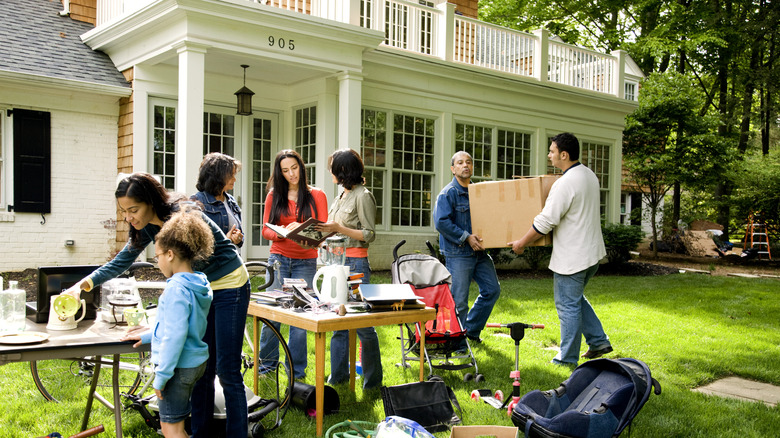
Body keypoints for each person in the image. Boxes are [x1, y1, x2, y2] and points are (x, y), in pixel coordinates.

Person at [64, 172, 250, 437]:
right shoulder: (148, 227)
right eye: (124, 212)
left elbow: (211, 254)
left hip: (230, 285)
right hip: (203, 288)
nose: (129, 217)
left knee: (228, 370)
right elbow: (121, 262)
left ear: (150, 201)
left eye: (133, 209)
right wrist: (81, 286)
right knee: (203, 370)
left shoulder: (183, 216)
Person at [508, 132, 612, 366]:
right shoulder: (589, 175)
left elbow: (546, 221)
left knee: (567, 306)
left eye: (552, 151)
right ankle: (598, 341)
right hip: (591, 254)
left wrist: (521, 243)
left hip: (573, 257)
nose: (549, 155)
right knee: (574, 300)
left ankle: (567, 359)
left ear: (564, 155)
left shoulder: (565, 183)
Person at [121, 209, 214, 438]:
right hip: (196, 363)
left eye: (158, 256)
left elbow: (175, 336)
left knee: (171, 429)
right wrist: (147, 336)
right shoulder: (199, 283)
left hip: (177, 368)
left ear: (170, 254)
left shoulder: (176, 289)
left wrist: (161, 376)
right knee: (178, 422)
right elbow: (178, 326)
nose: (158, 262)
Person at [316, 149, 383, 389]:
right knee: (338, 324)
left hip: (355, 265)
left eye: (333, 168)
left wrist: (339, 229)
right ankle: (338, 377)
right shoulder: (341, 195)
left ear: (343, 170)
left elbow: (369, 234)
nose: (330, 172)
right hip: (336, 262)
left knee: (363, 325)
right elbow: (335, 228)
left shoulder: (363, 196)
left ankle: (373, 381)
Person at [260, 149, 328, 379]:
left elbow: (323, 229)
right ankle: (266, 367)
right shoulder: (274, 195)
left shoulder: (317, 194)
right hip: (278, 259)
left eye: (295, 168)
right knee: (273, 313)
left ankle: (296, 372)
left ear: (301, 166)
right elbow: (265, 229)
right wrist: (283, 233)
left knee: (300, 316)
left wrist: (302, 230)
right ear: (280, 173)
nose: (291, 174)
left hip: (305, 262)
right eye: (285, 171)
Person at [433, 151, 501, 345]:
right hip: (458, 253)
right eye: (460, 163)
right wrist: (466, 237)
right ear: (453, 169)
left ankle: (470, 330)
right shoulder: (448, 194)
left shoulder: (479, 192)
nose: (465, 166)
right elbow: (441, 222)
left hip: (480, 252)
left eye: (469, 162)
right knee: (460, 300)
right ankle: (456, 343)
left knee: (492, 290)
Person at [191, 152, 244, 247]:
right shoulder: (197, 201)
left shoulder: (231, 201)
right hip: (213, 261)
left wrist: (238, 238)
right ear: (218, 176)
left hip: (232, 259)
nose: (234, 179)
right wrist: (225, 240)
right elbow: (194, 241)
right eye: (231, 175)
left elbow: (241, 239)